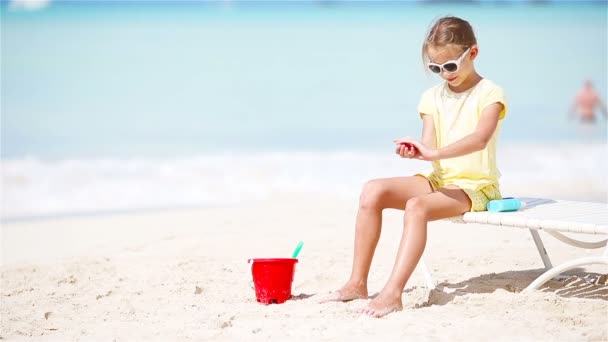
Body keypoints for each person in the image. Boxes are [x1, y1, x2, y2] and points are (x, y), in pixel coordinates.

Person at [320, 16, 507, 318]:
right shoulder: (431, 98)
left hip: (476, 187)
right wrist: (416, 152)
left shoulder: (490, 94)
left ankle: (393, 294)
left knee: (416, 207)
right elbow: (430, 150)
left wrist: (433, 152)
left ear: (472, 53)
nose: (444, 74)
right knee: (372, 191)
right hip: (438, 178)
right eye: (436, 68)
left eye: (450, 66)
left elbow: (479, 140)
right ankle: (357, 283)